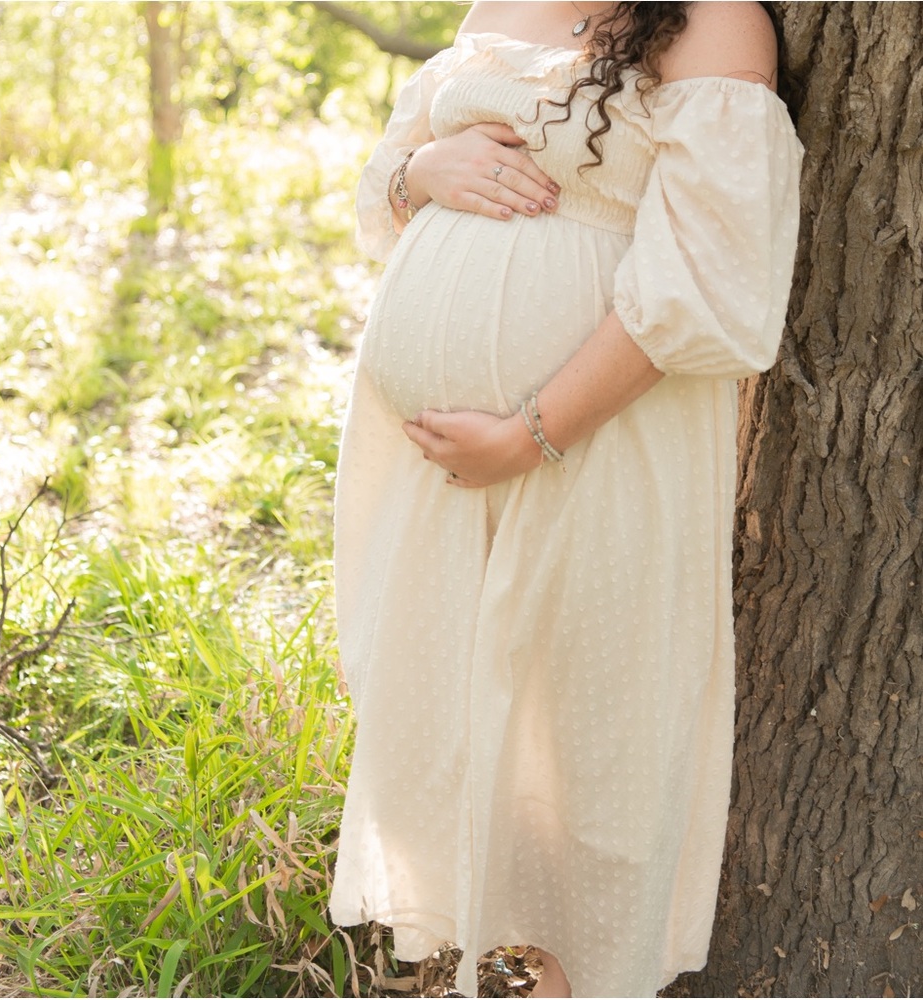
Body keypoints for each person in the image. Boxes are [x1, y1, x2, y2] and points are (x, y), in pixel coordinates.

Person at [328, 1, 802, 996]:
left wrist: (529, 430)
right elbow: (390, 175)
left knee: (578, 750)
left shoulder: (715, 24)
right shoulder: (499, 0)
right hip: (437, 479)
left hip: (598, 449)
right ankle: (501, 973)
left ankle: (556, 979)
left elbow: (709, 276)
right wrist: (423, 171)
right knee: (455, 738)